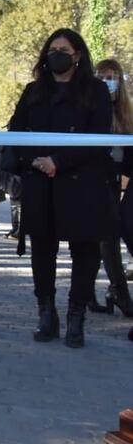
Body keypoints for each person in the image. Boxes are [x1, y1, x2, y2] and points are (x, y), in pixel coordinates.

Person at [6, 28, 117, 348]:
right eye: (52, 48)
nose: (57, 53)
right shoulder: (33, 91)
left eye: (64, 48)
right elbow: (16, 130)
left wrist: (59, 161)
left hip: (82, 182)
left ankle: (76, 316)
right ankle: (46, 312)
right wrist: (37, 160)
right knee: (42, 250)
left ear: (77, 54)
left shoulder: (94, 91)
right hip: (40, 181)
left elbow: (98, 139)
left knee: (85, 251)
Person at [88, 59, 133, 317]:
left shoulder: (125, 113)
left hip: (115, 183)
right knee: (98, 238)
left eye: (112, 77)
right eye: (103, 77)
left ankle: (112, 291)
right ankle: (116, 292)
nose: (108, 82)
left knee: (108, 235)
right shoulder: (90, 108)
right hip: (91, 181)